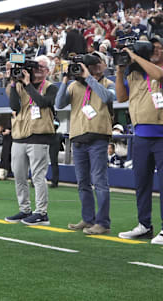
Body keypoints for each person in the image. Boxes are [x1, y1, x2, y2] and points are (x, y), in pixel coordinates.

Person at [115, 37, 163, 244]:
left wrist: (136, 56)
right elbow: (121, 98)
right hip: (140, 136)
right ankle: (144, 225)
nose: (155, 51)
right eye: (152, 48)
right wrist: (121, 69)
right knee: (142, 184)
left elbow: (159, 75)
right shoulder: (136, 74)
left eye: (159, 48)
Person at [55, 53, 115, 235]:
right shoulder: (73, 86)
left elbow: (107, 98)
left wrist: (88, 77)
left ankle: (103, 222)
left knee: (99, 181)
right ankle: (88, 220)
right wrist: (65, 80)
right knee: (83, 183)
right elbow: (58, 104)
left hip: (98, 137)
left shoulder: (107, 84)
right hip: (78, 138)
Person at [5, 55, 59, 225]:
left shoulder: (51, 88)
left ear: (48, 71)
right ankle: (24, 209)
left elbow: (42, 102)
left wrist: (27, 84)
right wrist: (14, 82)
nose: (36, 70)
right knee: (19, 176)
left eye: (41, 67)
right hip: (19, 136)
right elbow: (14, 106)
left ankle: (41, 212)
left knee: (37, 176)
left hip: (39, 136)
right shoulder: (19, 85)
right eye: (35, 67)